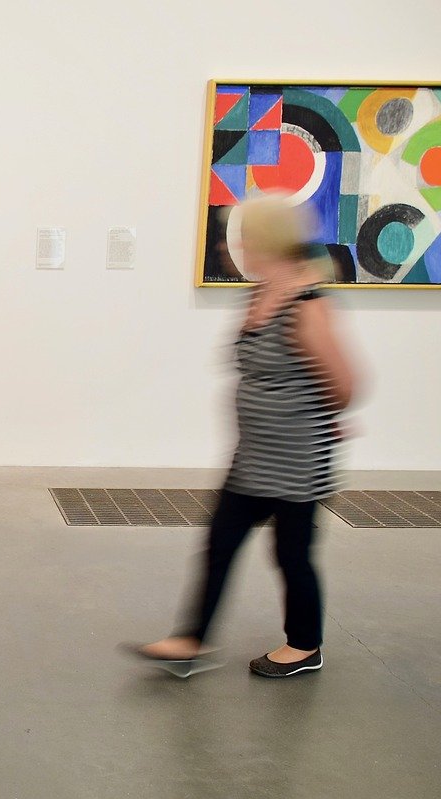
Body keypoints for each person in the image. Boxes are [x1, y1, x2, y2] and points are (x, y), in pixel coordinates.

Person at [135, 195, 357, 678]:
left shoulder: (307, 304)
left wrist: (315, 417)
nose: (232, 247)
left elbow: (344, 383)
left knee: (291, 554)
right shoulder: (258, 295)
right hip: (255, 455)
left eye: (244, 238)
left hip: (297, 459)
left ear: (269, 242)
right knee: (220, 542)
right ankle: (191, 640)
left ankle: (304, 646)